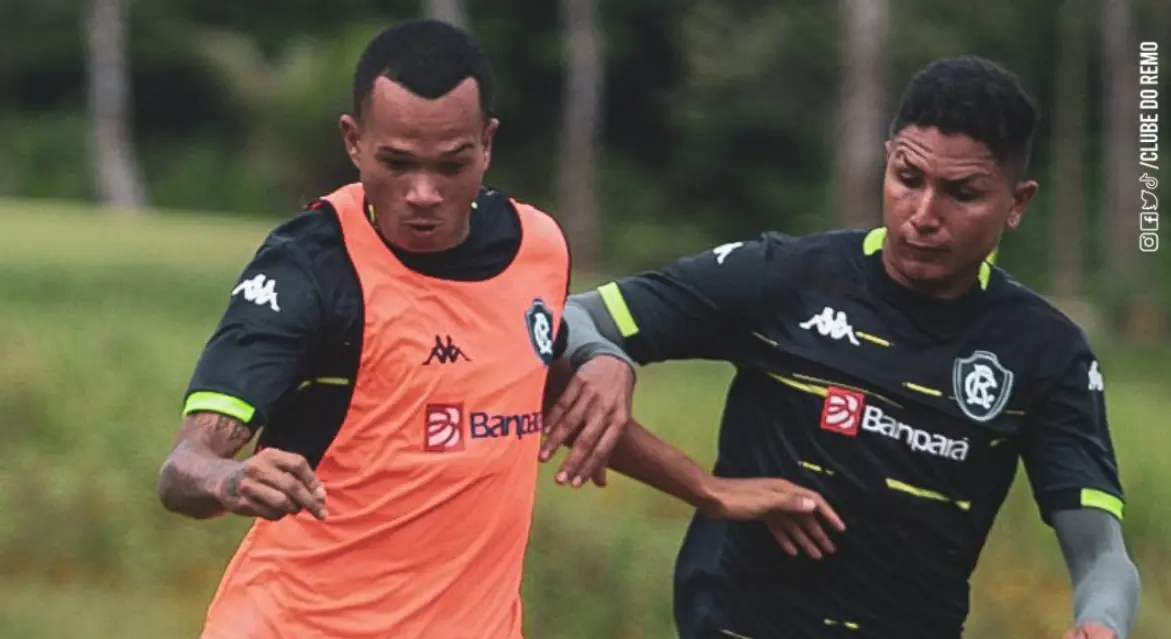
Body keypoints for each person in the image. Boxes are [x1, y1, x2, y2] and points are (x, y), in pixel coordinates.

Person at [155, 19, 827, 639]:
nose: (423, 192)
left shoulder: (536, 246)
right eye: (396, 163)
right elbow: (184, 468)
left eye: (450, 164)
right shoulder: (308, 269)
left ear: (487, 145)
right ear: (353, 142)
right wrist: (230, 481)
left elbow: (553, 397)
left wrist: (706, 489)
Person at [547, 56, 1141, 639]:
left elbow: (1101, 555)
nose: (923, 215)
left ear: (1017, 203)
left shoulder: (1046, 351)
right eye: (908, 179)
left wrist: (1102, 623)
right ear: (887, 162)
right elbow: (569, 317)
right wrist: (607, 361)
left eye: (962, 194)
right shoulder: (781, 277)